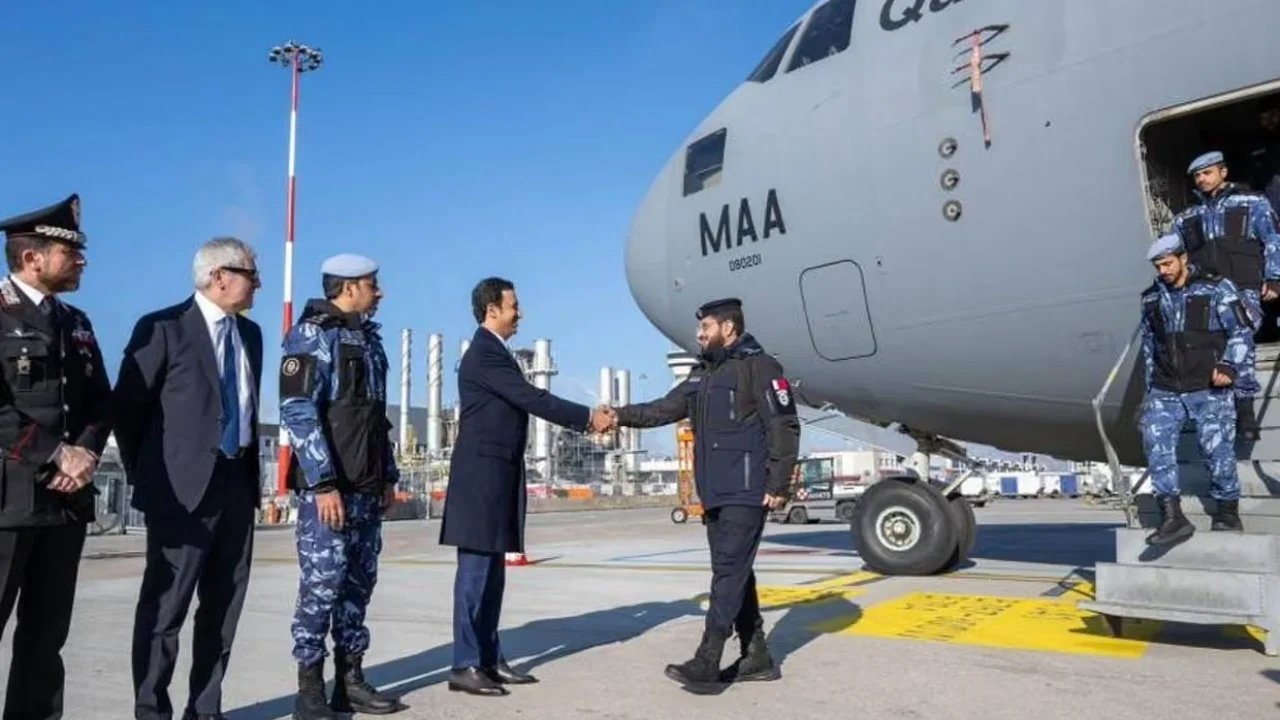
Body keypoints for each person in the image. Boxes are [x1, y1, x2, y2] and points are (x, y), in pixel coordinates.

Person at [600, 297, 800, 693]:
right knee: (734, 572)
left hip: (747, 490)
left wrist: (778, 484)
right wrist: (618, 414)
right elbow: (663, 409)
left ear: (728, 328)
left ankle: (707, 659)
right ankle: (756, 656)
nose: (698, 334)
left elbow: (784, 424)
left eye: (705, 327)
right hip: (715, 493)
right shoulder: (702, 374)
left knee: (728, 571)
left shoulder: (761, 367)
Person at [439, 276, 614, 696]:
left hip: (498, 475)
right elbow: (532, 398)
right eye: (514, 305)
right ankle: (465, 663)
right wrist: (589, 417)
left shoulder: (496, 353)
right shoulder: (484, 354)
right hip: (481, 478)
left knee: (493, 575)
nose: (521, 313)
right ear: (491, 310)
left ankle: (487, 656)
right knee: (476, 573)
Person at [115, 237, 263, 720]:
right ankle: (151, 709)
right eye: (250, 273)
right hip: (181, 494)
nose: (257, 282)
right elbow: (129, 410)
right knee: (165, 611)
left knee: (223, 608)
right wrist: (149, 477)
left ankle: (206, 709)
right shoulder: (164, 328)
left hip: (236, 485)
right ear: (220, 276)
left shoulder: (252, 335)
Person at [0, 193, 112, 719]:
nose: (83, 261)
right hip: (8, 502)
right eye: (72, 253)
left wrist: (85, 452)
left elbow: (99, 403)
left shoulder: (78, 322)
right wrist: (53, 456)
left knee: (47, 636)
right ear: (32, 258)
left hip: (66, 505)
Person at [279, 254, 405, 718]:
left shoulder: (369, 341)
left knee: (358, 585)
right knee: (321, 586)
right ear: (349, 287)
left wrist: (387, 476)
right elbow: (298, 411)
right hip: (329, 491)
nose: (380, 292)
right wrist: (323, 481)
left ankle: (349, 681)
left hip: (366, 487)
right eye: (374, 284)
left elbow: (376, 418)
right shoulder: (313, 334)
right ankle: (308, 689)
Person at [1139, 233, 1253, 546]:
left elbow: (1241, 331)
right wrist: (1150, 390)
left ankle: (1227, 509)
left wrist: (1230, 366)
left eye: (1167, 263)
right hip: (1166, 388)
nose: (1162, 270)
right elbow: (1150, 346)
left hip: (1207, 386)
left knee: (1216, 451)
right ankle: (1173, 516)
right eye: (1158, 265)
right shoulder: (1150, 298)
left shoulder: (1216, 288)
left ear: (1183, 258)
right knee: (1155, 442)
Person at [1171, 150, 1280, 440]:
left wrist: (1274, 277)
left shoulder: (1252, 203)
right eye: (1197, 175)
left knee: (1241, 335)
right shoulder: (1187, 218)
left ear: (1223, 172)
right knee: (1211, 348)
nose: (1202, 179)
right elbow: (1177, 254)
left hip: (1244, 286)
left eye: (1207, 172)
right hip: (1208, 291)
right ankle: (1221, 414)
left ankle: (1245, 412)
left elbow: (1272, 238)